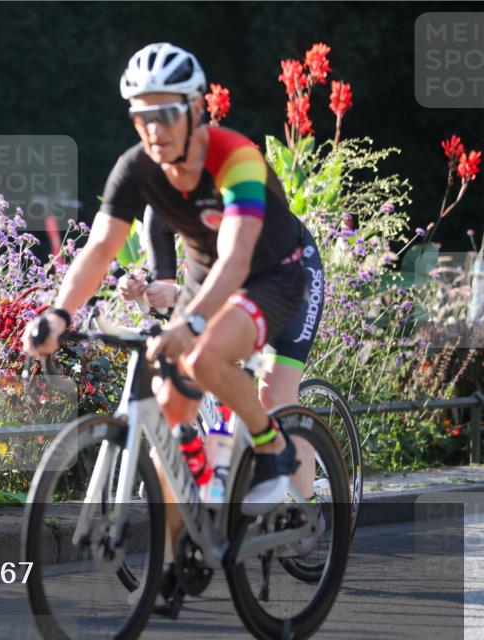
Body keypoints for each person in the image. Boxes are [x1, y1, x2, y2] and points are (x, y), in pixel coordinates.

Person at [22, 41, 308, 518]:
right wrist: (59, 313)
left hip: (272, 270)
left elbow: (237, 260)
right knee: (168, 408)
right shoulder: (136, 169)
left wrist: (190, 324)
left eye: (167, 114)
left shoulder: (234, 158)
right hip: (208, 272)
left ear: (197, 109)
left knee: (226, 366)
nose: (153, 129)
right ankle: (175, 562)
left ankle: (272, 447)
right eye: (141, 116)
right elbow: (98, 251)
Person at [119, 205, 326, 505]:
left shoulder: (229, 192)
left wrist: (180, 296)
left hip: (288, 278)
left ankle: (306, 508)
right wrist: (144, 291)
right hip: (231, 290)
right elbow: (169, 302)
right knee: (186, 370)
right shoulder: (160, 211)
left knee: (275, 396)